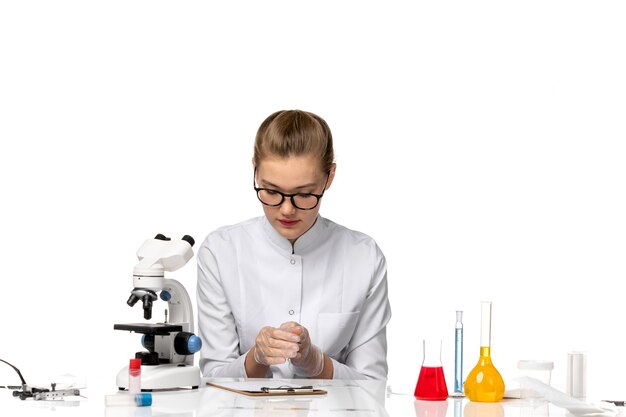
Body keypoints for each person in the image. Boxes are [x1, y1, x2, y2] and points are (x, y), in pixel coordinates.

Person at [197, 110, 391, 380]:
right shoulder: (221, 252)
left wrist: (318, 364)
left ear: (329, 177)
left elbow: (373, 385)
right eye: (271, 191)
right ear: (255, 170)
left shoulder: (364, 257)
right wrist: (257, 357)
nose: (287, 209)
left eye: (304, 194)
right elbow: (214, 379)